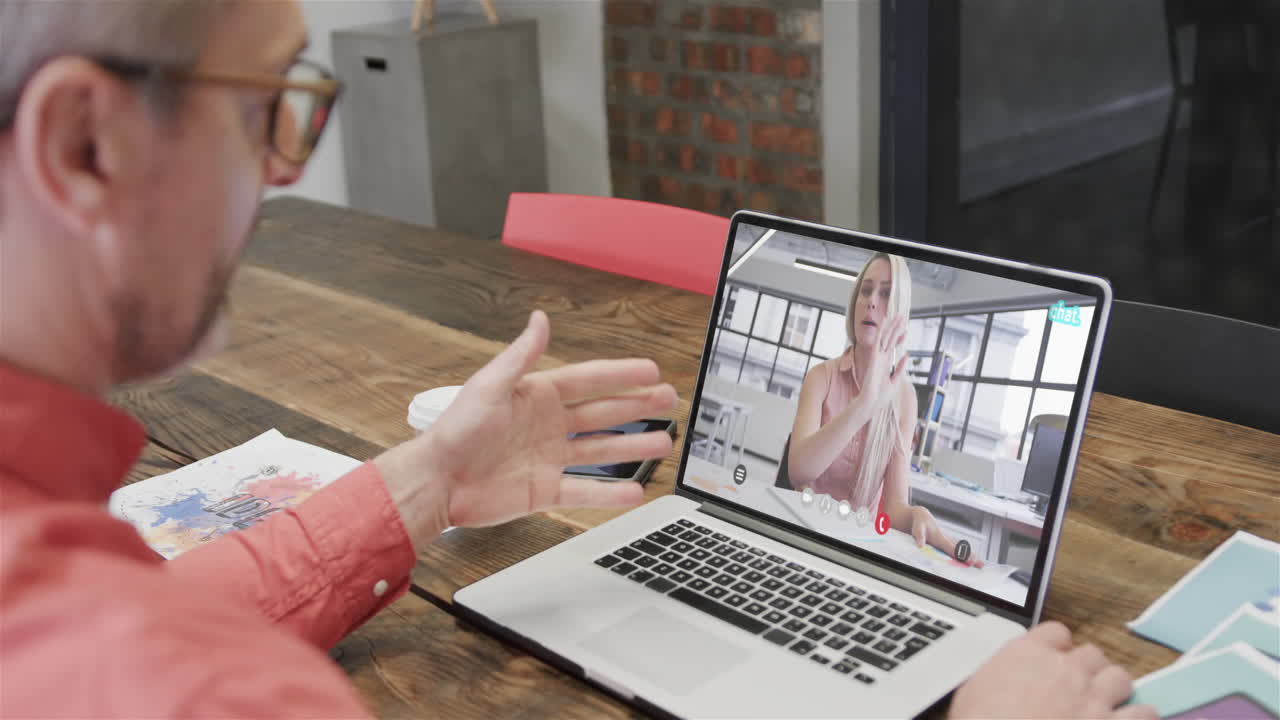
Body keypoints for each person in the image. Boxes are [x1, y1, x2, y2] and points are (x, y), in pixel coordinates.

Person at [0, 2, 1153, 718]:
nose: (284, 169)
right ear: (83, 143)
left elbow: (889, 505)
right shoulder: (201, 687)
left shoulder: (81, 603)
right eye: (265, 107)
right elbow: (807, 470)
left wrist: (428, 481)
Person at [788, 252, 976, 563]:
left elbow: (892, 510)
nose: (871, 302)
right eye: (866, 290)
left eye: (886, 294)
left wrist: (917, 514)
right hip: (804, 536)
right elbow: (799, 472)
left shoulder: (905, 397)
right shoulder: (821, 377)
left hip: (857, 551)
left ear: (900, 312)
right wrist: (864, 405)